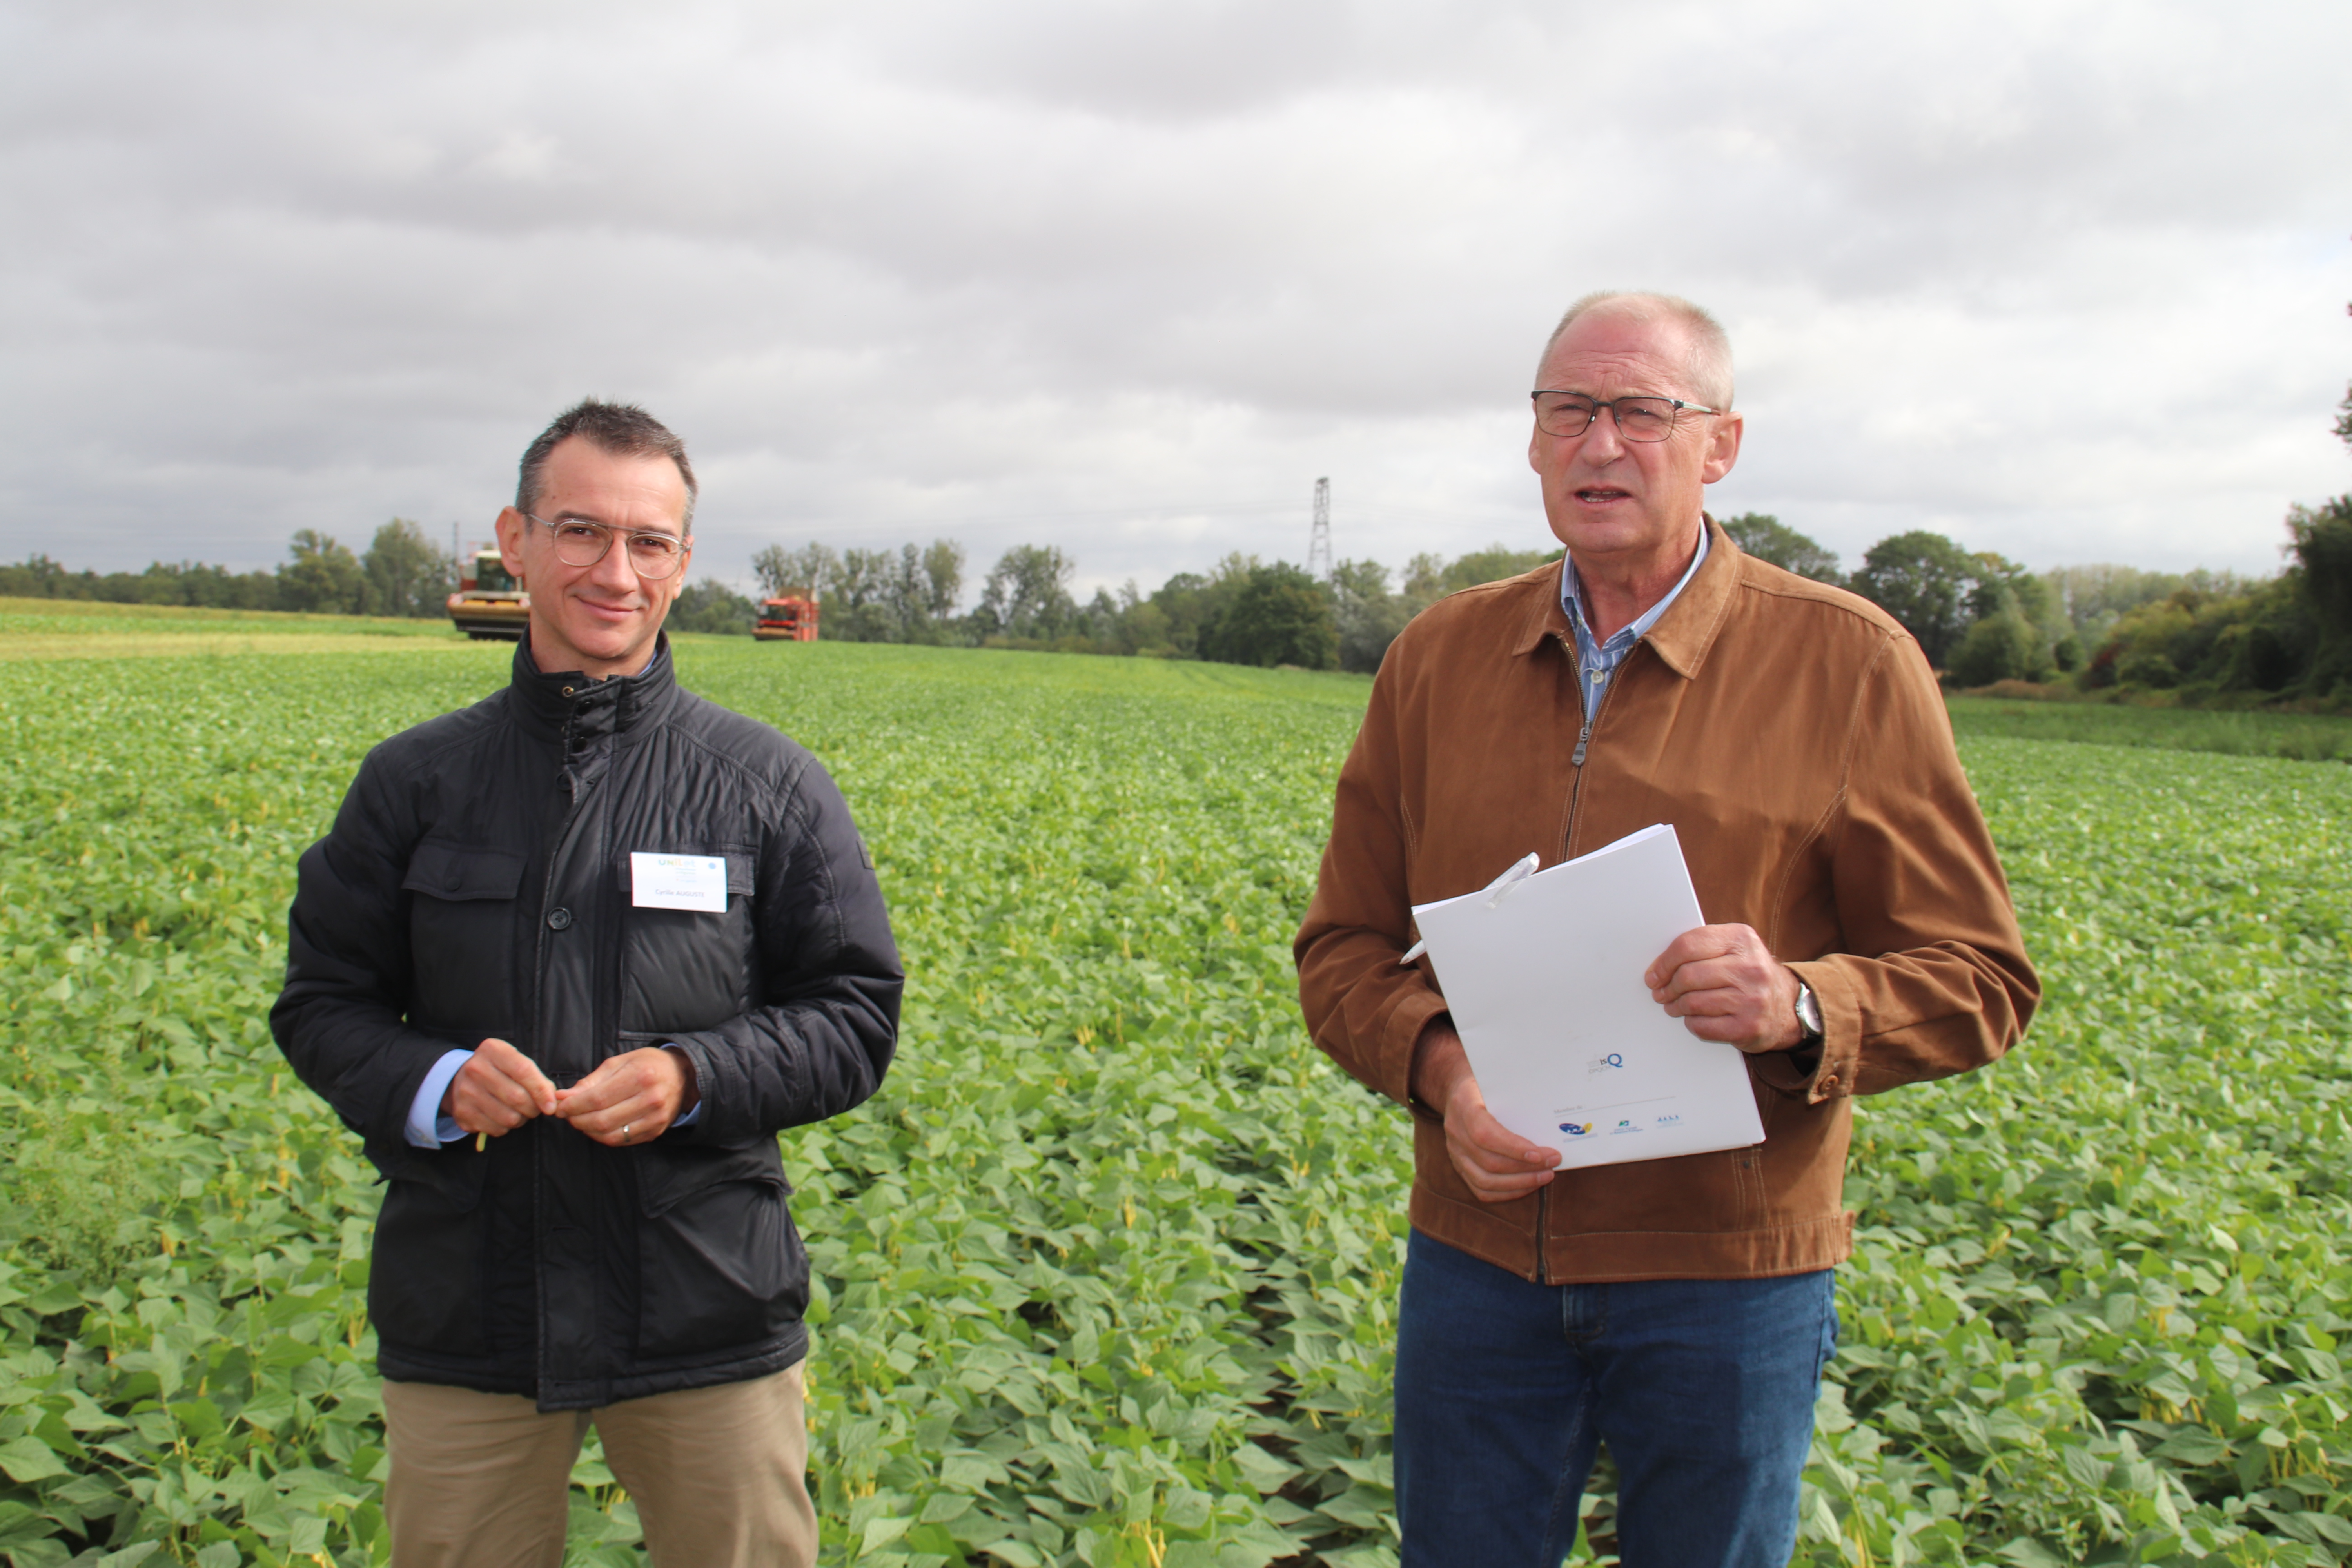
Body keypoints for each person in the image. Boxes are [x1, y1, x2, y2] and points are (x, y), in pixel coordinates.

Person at [1294, 292, 2038, 1566]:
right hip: (1482, 1262)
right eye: (1568, 411)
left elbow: (1981, 979)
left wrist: (1801, 1005)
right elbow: (1344, 951)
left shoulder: (1850, 664)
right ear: (1534, 439)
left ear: (1720, 445)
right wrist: (1443, 1073)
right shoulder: (1437, 659)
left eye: (1642, 411)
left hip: (1729, 1276)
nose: (1599, 445)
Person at [272, 399, 902, 1568]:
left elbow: (854, 1016)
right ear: (515, 541)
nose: (617, 572)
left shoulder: (765, 785)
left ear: (682, 563)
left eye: (648, 542)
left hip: (706, 1303)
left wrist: (696, 1076)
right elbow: (321, 1003)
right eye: (581, 532)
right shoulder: (414, 783)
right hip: (469, 1305)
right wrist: (436, 1081)